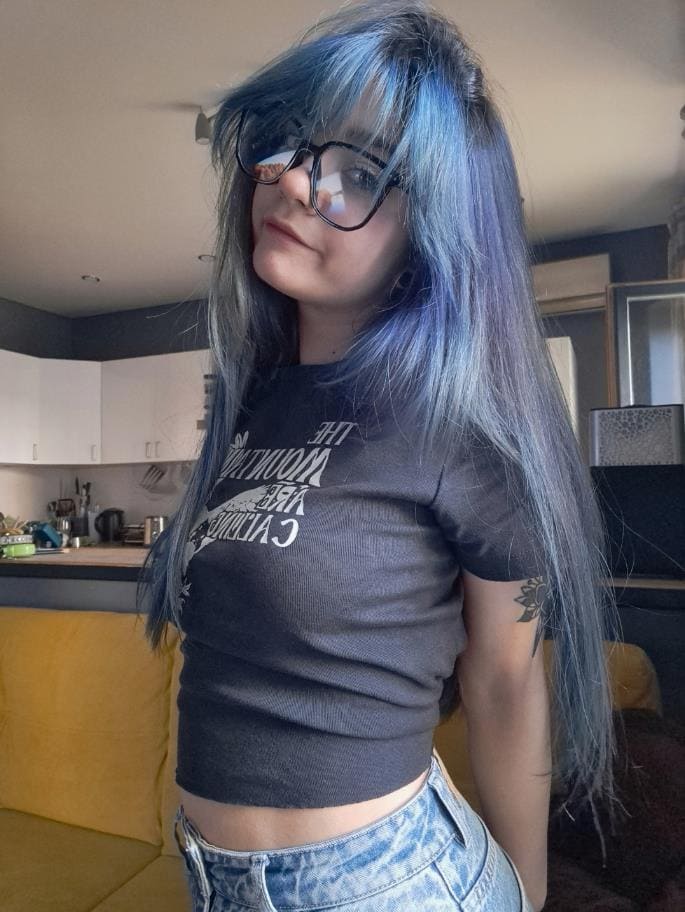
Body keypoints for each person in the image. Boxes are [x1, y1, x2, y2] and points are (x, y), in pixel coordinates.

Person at [137, 2, 621, 910]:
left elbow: (504, 680)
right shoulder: (257, 403)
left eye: (357, 172)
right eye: (288, 141)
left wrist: (530, 893)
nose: (291, 178)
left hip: (387, 885)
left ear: (433, 232)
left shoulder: (463, 432)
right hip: (216, 879)